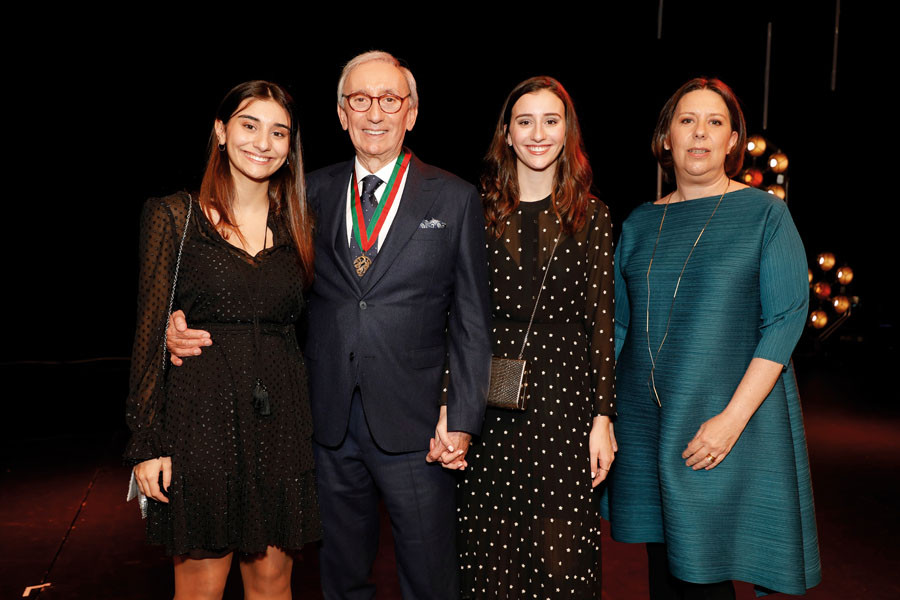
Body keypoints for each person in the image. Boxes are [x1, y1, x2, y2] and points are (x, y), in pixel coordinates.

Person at [167, 51, 492, 599]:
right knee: (340, 579)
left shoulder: (455, 198)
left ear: (411, 112)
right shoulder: (302, 194)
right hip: (325, 425)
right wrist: (182, 326)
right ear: (341, 114)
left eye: (390, 100)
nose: (375, 113)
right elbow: (253, 280)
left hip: (420, 430)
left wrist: (460, 416)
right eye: (359, 100)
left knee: (431, 579)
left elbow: (472, 322)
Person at [602, 77, 821, 598]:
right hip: (647, 424)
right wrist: (603, 414)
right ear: (666, 139)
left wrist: (730, 422)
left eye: (714, 123)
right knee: (664, 568)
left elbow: (786, 320)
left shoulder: (765, 215)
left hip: (722, 424)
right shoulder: (637, 223)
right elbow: (618, 327)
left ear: (732, 143)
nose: (700, 133)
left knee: (703, 571)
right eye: (686, 121)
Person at [125, 81, 320, 599]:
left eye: (279, 132)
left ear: (290, 146)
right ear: (220, 131)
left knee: (274, 583)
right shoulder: (173, 217)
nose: (263, 142)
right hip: (201, 420)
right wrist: (146, 443)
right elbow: (148, 337)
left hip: (281, 421)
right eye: (249, 125)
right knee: (201, 587)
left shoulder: (300, 224)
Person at [446, 76, 616, 599]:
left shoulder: (594, 216)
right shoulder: (473, 211)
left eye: (551, 120)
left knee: (561, 563)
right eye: (525, 121)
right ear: (507, 133)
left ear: (568, 132)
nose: (537, 133)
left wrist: (603, 418)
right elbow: (453, 316)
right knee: (489, 558)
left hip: (566, 407)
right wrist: (451, 407)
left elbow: (602, 323)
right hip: (488, 404)